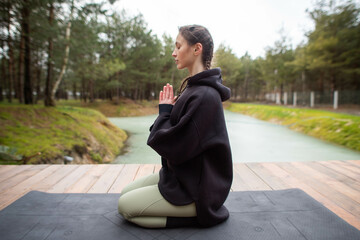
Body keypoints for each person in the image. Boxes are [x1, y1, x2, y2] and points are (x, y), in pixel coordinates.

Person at [118, 24, 233, 228]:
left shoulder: (205, 96)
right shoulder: (194, 88)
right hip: (183, 177)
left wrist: (164, 113)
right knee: (126, 193)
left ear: (197, 49)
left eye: (178, 47)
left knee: (125, 206)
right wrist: (168, 112)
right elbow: (176, 136)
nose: (174, 53)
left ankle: (195, 216)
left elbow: (175, 147)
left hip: (199, 191)